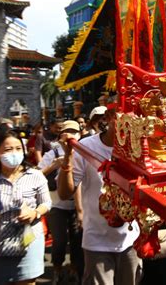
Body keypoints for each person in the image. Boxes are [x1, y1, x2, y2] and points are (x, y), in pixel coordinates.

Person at [57, 107, 142, 285]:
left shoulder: (139, 149)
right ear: (111, 117)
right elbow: (65, 193)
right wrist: (68, 157)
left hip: (131, 240)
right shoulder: (86, 147)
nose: (131, 126)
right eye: (127, 119)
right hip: (98, 241)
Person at [0, 130, 52, 284]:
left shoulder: (35, 175)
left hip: (29, 241)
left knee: (27, 281)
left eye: (18, 149)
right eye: (8, 150)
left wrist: (35, 213)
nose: (15, 153)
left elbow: (46, 203)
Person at [38, 120, 83, 284]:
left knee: (78, 240)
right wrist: (52, 166)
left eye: (75, 131)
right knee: (60, 241)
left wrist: (81, 210)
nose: (72, 135)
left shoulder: (84, 152)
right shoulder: (52, 154)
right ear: (60, 136)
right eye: (67, 131)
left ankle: (75, 269)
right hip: (56, 204)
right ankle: (57, 269)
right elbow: (36, 177)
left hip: (79, 205)